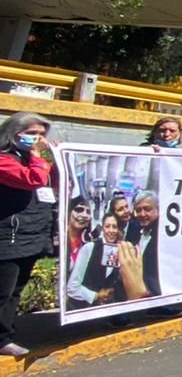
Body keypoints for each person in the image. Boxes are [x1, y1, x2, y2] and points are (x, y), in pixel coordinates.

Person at [0, 112, 55, 358]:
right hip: (8, 237)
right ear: (13, 134)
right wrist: (38, 156)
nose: (38, 139)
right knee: (3, 290)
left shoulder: (33, 159)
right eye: (32, 133)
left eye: (41, 134)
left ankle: (5, 335)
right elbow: (33, 179)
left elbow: (54, 181)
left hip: (31, 235)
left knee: (15, 290)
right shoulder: (4, 160)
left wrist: (57, 157)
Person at [66, 213, 127, 309]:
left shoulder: (119, 252)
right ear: (102, 228)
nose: (111, 231)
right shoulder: (89, 248)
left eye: (114, 227)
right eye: (107, 226)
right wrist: (95, 296)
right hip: (81, 308)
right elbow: (72, 287)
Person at [65, 196, 94, 272]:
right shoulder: (58, 240)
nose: (84, 215)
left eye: (88, 212)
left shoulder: (89, 243)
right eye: (79, 210)